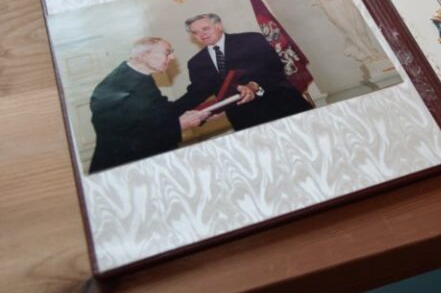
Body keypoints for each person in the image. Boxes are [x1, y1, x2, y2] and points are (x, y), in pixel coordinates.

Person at [88, 37, 210, 174]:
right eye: (167, 52)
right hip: (122, 170)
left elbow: (159, 112)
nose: (172, 57)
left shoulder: (139, 75)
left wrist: (201, 110)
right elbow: (125, 143)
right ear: (144, 56)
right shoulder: (115, 88)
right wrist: (180, 126)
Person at [176, 13, 312, 131]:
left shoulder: (251, 40)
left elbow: (274, 68)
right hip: (245, 121)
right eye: (195, 32)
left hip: (283, 107)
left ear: (219, 26)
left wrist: (254, 85)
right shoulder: (196, 63)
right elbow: (196, 93)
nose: (201, 34)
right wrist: (170, 114)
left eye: (205, 28)